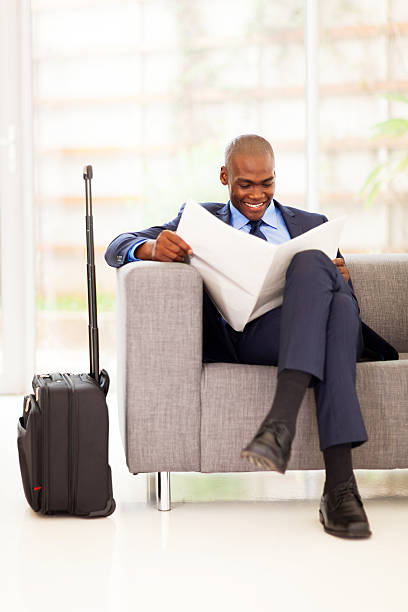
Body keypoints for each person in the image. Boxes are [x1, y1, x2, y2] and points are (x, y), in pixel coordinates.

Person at [105, 134, 398, 539]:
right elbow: (115, 245)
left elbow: (347, 308)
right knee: (327, 297)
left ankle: (281, 423)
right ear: (225, 177)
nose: (257, 194)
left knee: (317, 269)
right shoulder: (201, 222)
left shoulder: (313, 225)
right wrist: (150, 248)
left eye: (267, 183)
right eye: (245, 184)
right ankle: (340, 490)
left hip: (328, 329)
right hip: (255, 336)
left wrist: (338, 280)